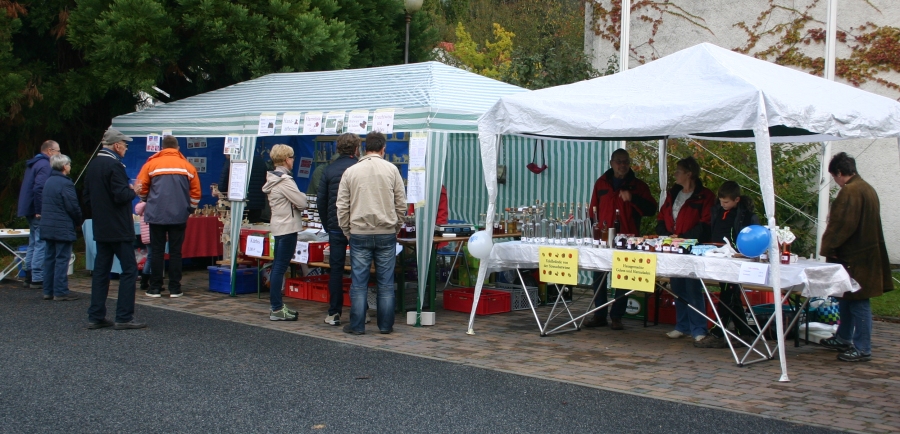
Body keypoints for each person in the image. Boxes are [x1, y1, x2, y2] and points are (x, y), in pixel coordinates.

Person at [819, 152, 893, 362]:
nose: (836, 182)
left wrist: (828, 247)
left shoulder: (850, 192)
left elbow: (841, 225)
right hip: (864, 255)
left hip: (854, 257)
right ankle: (843, 337)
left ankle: (862, 347)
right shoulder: (867, 188)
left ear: (841, 173)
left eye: (835, 177)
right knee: (847, 298)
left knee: (859, 301)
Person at [337, 131, 406, 335]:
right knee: (386, 282)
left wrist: (346, 230)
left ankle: (357, 325)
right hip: (386, 232)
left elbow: (342, 206)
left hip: (359, 232)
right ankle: (385, 325)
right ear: (383, 149)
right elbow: (401, 204)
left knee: (359, 282)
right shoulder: (392, 170)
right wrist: (396, 227)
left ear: (364, 148)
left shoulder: (351, 171)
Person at [585, 149, 657, 330]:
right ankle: (599, 314)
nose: (622, 165)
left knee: (623, 277)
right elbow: (593, 209)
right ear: (611, 163)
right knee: (599, 276)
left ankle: (617, 316)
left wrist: (632, 198)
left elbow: (651, 209)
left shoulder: (638, 185)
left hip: (628, 237)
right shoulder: (601, 183)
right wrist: (592, 230)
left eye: (625, 161)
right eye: (619, 161)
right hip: (602, 237)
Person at [83, 128, 145, 330]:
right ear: (117, 145)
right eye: (125, 145)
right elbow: (120, 196)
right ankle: (124, 316)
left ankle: (95, 315)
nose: (126, 148)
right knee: (129, 270)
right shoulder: (115, 166)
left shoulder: (93, 166)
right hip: (119, 227)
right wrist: (133, 190)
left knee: (101, 271)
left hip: (101, 226)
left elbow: (86, 198)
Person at [694, 181, 759, 348]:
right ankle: (744, 333)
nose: (723, 205)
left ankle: (718, 332)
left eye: (726, 202)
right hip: (717, 255)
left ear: (737, 200)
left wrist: (742, 251)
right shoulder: (717, 211)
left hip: (735, 259)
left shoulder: (745, 216)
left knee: (727, 294)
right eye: (721, 202)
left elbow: (750, 238)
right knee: (731, 294)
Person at [657, 156, 714, 342]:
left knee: (693, 287)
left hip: (693, 248)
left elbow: (706, 224)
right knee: (677, 286)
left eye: (678, 171)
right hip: (672, 246)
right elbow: (661, 217)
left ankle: (699, 328)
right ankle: (682, 325)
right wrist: (666, 235)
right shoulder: (673, 194)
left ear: (689, 174)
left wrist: (685, 238)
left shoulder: (705, 196)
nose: (675, 174)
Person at [136, 135, 201, 298]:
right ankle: (175, 288)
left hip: (156, 214)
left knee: (156, 252)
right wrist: (191, 208)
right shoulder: (187, 166)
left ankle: (155, 288)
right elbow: (196, 192)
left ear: (162, 149)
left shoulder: (150, 165)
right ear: (177, 149)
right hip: (179, 215)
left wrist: (146, 200)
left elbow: (140, 187)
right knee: (176, 252)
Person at [261, 144, 307, 321]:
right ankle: (276, 307)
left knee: (279, 266)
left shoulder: (273, 178)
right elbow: (302, 202)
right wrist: (297, 201)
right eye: (292, 157)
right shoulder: (285, 181)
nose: (294, 160)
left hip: (279, 225)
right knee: (280, 267)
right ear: (287, 159)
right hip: (288, 227)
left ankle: (277, 305)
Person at [318, 133, 360, 326]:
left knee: (336, 270)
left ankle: (334, 312)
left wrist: (328, 224)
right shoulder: (361, 168)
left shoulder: (328, 170)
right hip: (358, 225)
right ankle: (361, 312)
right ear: (356, 148)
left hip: (335, 226)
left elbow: (321, 201)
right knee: (360, 269)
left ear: (337, 148)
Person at [39, 154, 83, 301]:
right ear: (65, 166)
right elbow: (72, 206)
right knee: (62, 258)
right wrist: (78, 220)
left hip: (48, 224)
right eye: (69, 165)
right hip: (62, 225)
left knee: (50, 257)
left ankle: (48, 290)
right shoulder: (65, 183)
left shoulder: (49, 181)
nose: (70, 167)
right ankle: (60, 290)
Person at [17, 140, 60, 289]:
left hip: (28, 208)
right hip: (37, 210)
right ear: (49, 151)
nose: (59, 155)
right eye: (57, 151)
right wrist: (40, 210)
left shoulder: (34, 163)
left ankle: (28, 274)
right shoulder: (45, 165)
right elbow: (39, 188)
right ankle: (37, 276)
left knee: (33, 243)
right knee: (41, 243)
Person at [218, 150, 270, 223]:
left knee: (236, 230)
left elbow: (222, 186)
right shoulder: (260, 162)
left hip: (237, 203)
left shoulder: (231, 161)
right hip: (257, 204)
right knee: (252, 230)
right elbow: (266, 183)